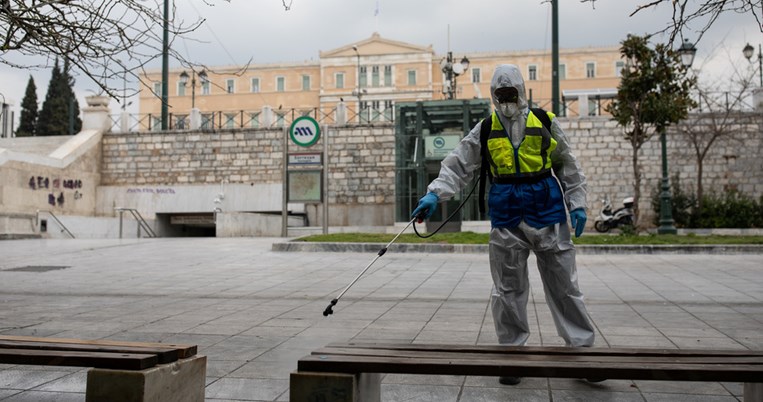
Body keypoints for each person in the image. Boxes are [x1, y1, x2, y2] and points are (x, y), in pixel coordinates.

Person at [411, 64, 596, 386]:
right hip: (507, 213)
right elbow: (457, 165)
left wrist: (577, 204)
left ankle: (582, 354)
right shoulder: (484, 129)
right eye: (501, 94)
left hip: (547, 210)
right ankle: (511, 355)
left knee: (565, 286)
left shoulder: (545, 122)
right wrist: (434, 194)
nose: (507, 99)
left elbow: (568, 165)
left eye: (511, 93)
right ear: (494, 96)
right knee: (507, 290)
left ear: (522, 91)